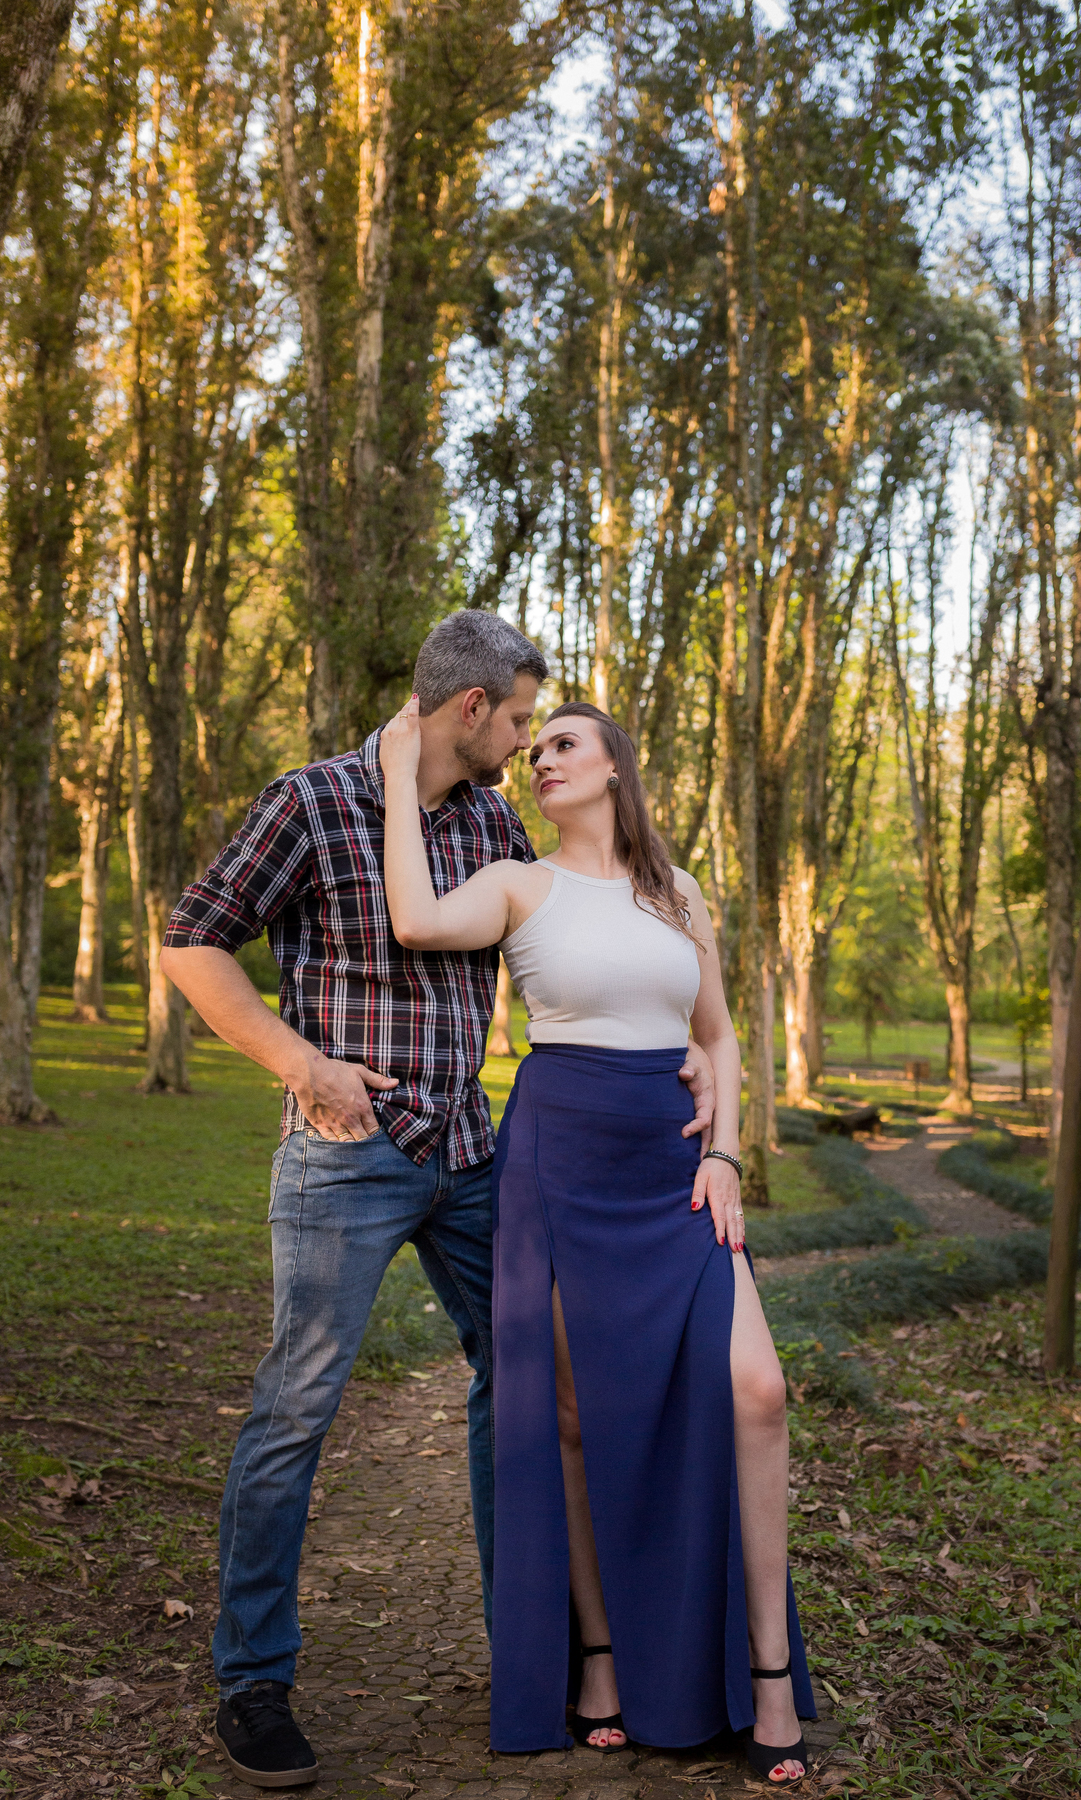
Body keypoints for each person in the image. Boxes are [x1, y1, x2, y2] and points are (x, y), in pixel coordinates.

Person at [158, 613, 716, 1789]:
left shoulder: (486, 827)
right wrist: (297, 1065)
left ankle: (533, 1654)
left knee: (522, 1386)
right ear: (473, 709)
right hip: (346, 1151)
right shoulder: (310, 804)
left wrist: (693, 1044)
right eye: (520, 718)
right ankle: (254, 1680)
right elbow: (193, 941)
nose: (524, 741)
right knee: (298, 1402)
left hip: (473, 1148)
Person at [380, 696, 816, 1784]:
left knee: (756, 1389)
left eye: (564, 742)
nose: (542, 760)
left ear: (617, 764)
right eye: (536, 751)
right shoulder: (521, 885)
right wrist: (397, 776)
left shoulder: (679, 894)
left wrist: (723, 1155)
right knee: (571, 1415)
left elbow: (714, 1037)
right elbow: (418, 923)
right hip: (560, 1157)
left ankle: (768, 1675)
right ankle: (603, 1661)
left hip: (675, 1172)